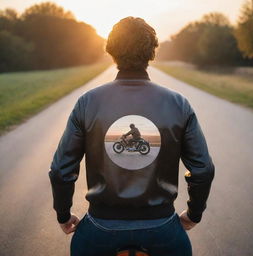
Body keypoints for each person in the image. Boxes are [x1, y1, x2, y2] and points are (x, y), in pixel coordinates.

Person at [49, 16, 215, 256]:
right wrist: (193, 214)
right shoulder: (179, 104)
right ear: (152, 52)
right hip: (162, 224)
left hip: (101, 225)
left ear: (111, 51)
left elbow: (61, 171)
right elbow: (203, 170)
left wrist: (63, 215)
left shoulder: (87, 103)